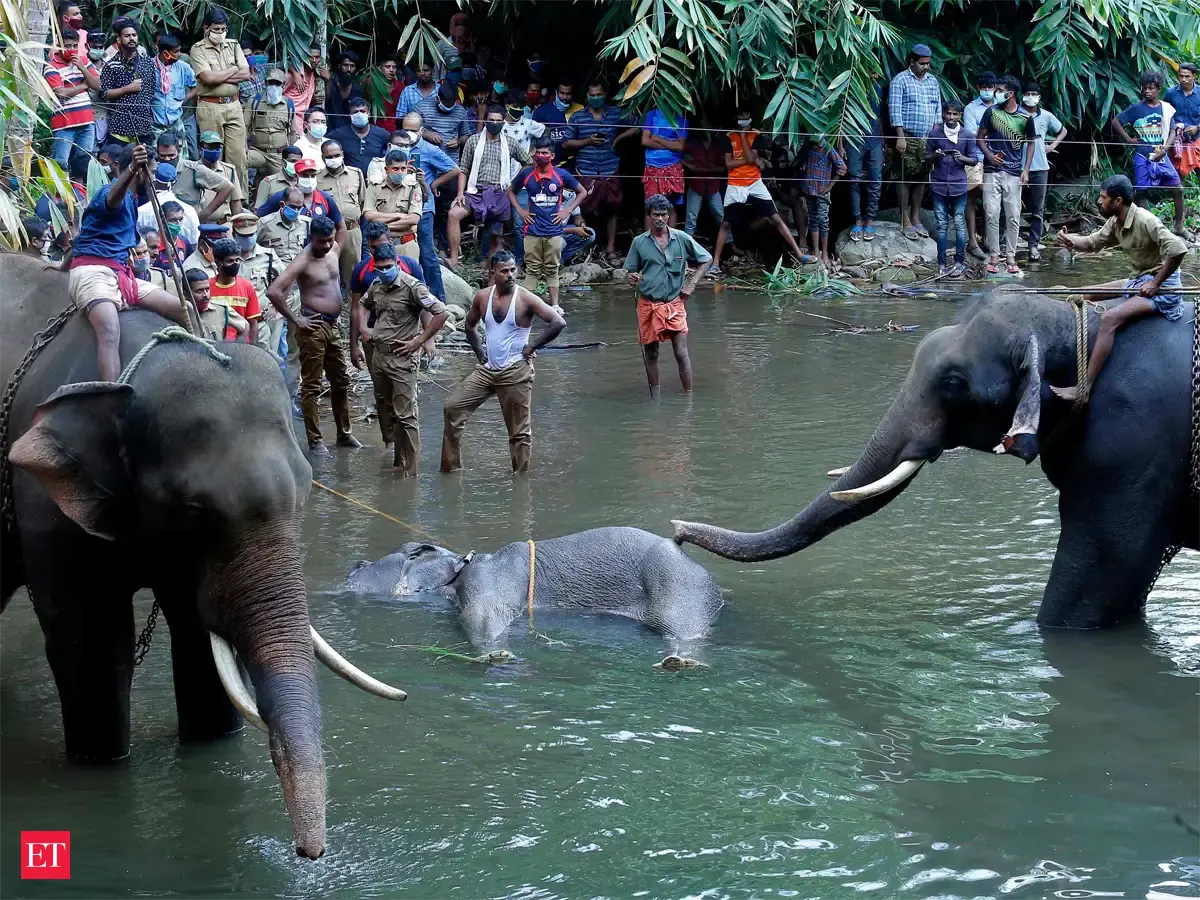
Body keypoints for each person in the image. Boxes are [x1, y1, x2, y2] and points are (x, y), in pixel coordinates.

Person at [1052, 174, 1189, 403]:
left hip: (1164, 287)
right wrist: (1070, 240)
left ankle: (1084, 389)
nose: (1099, 201)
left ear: (1118, 201)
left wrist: (1155, 284)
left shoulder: (1146, 221)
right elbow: (1093, 243)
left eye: (1103, 197)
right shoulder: (1116, 221)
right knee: (1085, 293)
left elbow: (1179, 249)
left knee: (1110, 318)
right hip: (1139, 279)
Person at [66, 143, 189, 382]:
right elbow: (113, 200)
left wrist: (62, 266)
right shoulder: (109, 191)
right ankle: (111, 395)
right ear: (141, 173)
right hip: (93, 274)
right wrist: (133, 168)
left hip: (122, 276)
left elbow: (82, 238)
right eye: (152, 172)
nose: (154, 179)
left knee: (185, 309)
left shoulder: (133, 201)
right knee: (109, 330)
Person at [440, 251, 566, 474]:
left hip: (515, 370)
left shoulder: (525, 298)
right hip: (488, 370)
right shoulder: (482, 297)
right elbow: (469, 325)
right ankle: (451, 469)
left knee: (519, 432)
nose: (510, 275)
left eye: (513, 270)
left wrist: (532, 346)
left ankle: (520, 481)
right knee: (452, 408)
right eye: (504, 271)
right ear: (492, 273)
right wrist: (480, 353)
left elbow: (558, 322)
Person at [266, 215, 362, 452]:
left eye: (329, 240)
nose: (327, 245)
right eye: (321, 241)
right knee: (312, 385)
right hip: (312, 327)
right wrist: (295, 318)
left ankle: (344, 434)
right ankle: (315, 441)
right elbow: (274, 291)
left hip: (332, 325)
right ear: (311, 238)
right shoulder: (303, 260)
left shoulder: (334, 248)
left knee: (341, 380)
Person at [358, 243, 448, 472]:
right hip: (379, 355)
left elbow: (441, 312)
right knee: (388, 410)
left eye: (388, 267)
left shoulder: (412, 287)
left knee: (407, 416)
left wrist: (420, 340)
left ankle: (412, 471)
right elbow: (363, 304)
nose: (384, 271)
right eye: (379, 268)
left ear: (397, 264)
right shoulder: (377, 285)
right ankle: (399, 464)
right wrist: (363, 328)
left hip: (402, 358)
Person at [349, 223, 429, 447]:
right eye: (373, 248)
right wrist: (354, 344)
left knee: (406, 394)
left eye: (382, 246)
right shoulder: (362, 270)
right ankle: (390, 442)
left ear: (391, 244)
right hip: (374, 340)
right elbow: (356, 308)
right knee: (382, 395)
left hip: (405, 339)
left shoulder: (410, 266)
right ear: (368, 247)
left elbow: (425, 303)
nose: (378, 252)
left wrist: (426, 339)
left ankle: (408, 446)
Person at [623, 194, 712, 398]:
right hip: (648, 303)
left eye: (664, 214)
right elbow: (630, 272)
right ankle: (655, 397)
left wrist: (691, 284)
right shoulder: (639, 242)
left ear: (669, 215)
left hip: (674, 303)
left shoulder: (681, 238)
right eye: (656, 215)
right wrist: (631, 278)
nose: (660, 218)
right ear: (649, 216)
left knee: (681, 352)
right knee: (651, 353)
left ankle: (688, 397)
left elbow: (706, 259)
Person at [711, 107, 811, 275]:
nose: (745, 116)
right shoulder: (728, 137)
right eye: (742, 114)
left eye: (747, 113)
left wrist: (744, 138)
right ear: (736, 117)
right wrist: (753, 160)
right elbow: (729, 164)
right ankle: (715, 263)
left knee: (776, 219)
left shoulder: (756, 135)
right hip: (735, 183)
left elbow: (750, 157)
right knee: (726, 223)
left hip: (755, 183)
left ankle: (800, 254)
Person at [563, 82, 639, 265]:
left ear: (605, 95)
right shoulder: (578, 116)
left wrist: (619, 138)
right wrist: (587, 141)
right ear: (587, 96)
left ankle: (611, 248)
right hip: (586, 170)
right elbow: (566, 142)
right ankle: (586, 247)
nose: (595, 98)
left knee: (613, 209)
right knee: (584, 209)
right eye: (592, 95)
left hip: (609, 168)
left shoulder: (615, 113)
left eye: (599, 94)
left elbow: (638, 124)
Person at [508, 138, 587, 307]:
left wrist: (567, 211)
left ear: (552, 156)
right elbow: (510, 191)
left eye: (544, 153)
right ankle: (528, 307)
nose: (540, 155)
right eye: (538, 152)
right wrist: (521, 211)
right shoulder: (526, 174)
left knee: (552, 269)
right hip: (532, 230)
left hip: (554, 231)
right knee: (532, 270)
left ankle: (555, 306)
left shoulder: (561, 175)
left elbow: (582, 192)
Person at [448, 105, 531, 267]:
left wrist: (513, 184)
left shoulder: (510, 143)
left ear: (503, 122)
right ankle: (454, 260)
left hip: (499, 193)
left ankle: (492, 274)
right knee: (453, 214)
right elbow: (463, 169)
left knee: (494, 237)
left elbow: (528, 162)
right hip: (475, 191)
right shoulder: (473, 140)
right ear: (485, 121)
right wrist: (460, 193)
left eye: (498, 120)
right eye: (491, 120)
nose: (494, 123)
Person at [395, 116, 460, 299]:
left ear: (422, 131)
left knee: (427, 252)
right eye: (406, 129)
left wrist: (434, 184)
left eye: (413, 130)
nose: (409, 133)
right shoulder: (396, 146)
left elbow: (454, 169)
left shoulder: (430, 150)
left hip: (424, 207)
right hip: (400, 208)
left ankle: (438, 298)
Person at [1114, 70, 1185, 235]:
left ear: (1158, 89)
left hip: (1162, 154)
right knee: (1141, 192)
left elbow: (1173, 131)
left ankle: (1179, 227)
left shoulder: (1166, 109)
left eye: (1151, 88)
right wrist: (1128, 139)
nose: (1147, 91)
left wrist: (1165, 149)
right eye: (1145, 88)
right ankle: (1150, 230)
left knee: (1178, 189)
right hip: (1142, 154)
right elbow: (1116, 121)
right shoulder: (1136, 108)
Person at [977, 74, 1035, 275]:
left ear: (1011, 94)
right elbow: (980, 138)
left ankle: (1010, 256)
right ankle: (994, 255)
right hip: (991, 171)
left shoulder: (1025, 117)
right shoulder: (991, 112)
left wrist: (1026, 169)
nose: (996, 93)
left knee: (1013, 216)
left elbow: (1031, 143)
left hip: (1014, 172)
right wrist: (989, 156)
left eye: (1000, 91)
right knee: (991, 213)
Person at [190, 8, 250, 192]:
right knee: (212, 154)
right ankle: (212, 199)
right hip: (210, 106)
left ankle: (239, 199)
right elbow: (208, 79)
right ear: (206, 28)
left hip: (234, 104)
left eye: (223, 29)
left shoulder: (233, 45)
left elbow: (246, 74)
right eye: (216, 29)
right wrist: (233, 70)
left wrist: (219, 76)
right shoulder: (198, 49)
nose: (220, 33)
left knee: (238, 156)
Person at [888, 43, 942, 240]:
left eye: (927, 63)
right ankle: (904, 219)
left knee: (922, 177)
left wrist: (936, 136)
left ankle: (916, 217)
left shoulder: (932, 81)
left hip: (927, 137)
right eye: (922, 64)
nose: (925, 67)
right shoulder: (900, 80)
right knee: (904, 177)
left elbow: (937, 109)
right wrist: (900, 136)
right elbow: (894, 109)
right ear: (912, 61)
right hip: (908, 135)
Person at [1020, 82, 1067, 261]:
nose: (1030, 97)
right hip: (1017, 167)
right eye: (1027, 93)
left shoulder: (1046, 116)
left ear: (1039, 97)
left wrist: (1053, 145)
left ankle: (1033, 245)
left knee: (1038, 208)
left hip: (1040, 166)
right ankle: (1006, 243)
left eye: (1034, 94)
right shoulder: (1016, 114)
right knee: (1011, 205)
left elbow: (1062, 130)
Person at [257, 158, 346, 250]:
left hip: (318, 253)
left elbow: (341, 228)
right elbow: (259, 218)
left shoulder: (325, 198)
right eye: (305, 176)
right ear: (296, 176)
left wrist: (335, 253)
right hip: (288, 251)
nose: (309, 179)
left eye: (313, 175)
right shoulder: (282, 196)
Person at [43, 27, 100, 170]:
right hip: (64, 124)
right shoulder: (51, 67)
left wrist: (82, 68)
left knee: (84, 164)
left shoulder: (84, 61)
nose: (72, 50)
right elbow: (61, 93)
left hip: (87, 121)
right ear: (59, 46)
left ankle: (79, 185)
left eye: (75, 46)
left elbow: (98, 85)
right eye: (68, 46)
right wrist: (83, 85)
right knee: (61, 164)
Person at [925, 100, 970, 276]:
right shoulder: (935, 134)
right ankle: (942, 263)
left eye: (955, 114)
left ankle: (959, 262)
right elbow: (926, 157)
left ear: (960, 116)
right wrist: (935, 156)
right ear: (943, 114)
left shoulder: (967, 135)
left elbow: (974, 159)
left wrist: (962, 158)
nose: (951, 117)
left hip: (959, 185)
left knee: (959, 223)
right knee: (942, 225)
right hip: (939, 185)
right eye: (948, 113)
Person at [231, 211, 285, 356]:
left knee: (264, 360)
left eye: (251, 235)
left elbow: (285, 282)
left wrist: (275, 307)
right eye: (243, 236)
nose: (248, 239)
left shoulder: (268, 256)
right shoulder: (228, 257)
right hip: (234, 324)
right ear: (234, 234)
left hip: (261, 324)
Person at [502, 99, 546, 269]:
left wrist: (534, 150)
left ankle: (520, 262)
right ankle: (493, 260)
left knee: (520, 224)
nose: (518, 110)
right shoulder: (498, 123)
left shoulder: (528, 123)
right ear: (507, 106)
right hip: (500, 179)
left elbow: (546, 131)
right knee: (496, 222)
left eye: (521, 107)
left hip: (521, 180)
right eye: (515, 106)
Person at [316, 138, 366, 285]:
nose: (334, 159)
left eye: (337, 155)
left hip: (352, 231)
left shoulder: (356, 173)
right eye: (329, 157)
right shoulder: (317, 178)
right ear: (323, 158)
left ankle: (352, 300)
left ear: (343, 154)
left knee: (354, 274)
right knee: (327, 273)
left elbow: (362, 201)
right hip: (327, 234)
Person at [961, 71, 1000, 259]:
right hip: (975, 158)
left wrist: (984, 132)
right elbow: (971, 134)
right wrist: (992, 132)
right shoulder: (971, 108)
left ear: (995, 88)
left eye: (990, 88)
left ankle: (988, 239)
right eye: (984, 88)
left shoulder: (1001, 106)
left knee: (991, 201)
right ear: (978, 88)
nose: (987, 91)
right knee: (971, 198)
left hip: (997, 159)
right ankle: (972, 241)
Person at [158, 130, 236, 224]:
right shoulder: (153, 170)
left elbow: (227, 187)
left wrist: (204, 215)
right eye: (162, 156)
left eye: (171, 155)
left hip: (187, 226)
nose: (167, 159)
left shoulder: (194, 170)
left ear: (179, 151)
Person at [100, 17, 156, 144]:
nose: (131, 38)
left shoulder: (147, 63)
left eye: (134, 35)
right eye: (127, 36)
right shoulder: (111, 65)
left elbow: (151, 90)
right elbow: (105, 94)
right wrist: (127, 89)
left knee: (145, 156)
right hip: (119, 127)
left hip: (143, 126)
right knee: (118, 157)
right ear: (119, 39)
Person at [364, 148, 425, 260]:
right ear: (386, 169)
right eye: (395, 169)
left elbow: (413, 219)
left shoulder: (413, 187)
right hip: (380, 245)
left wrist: (382, 227)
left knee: (408, 272)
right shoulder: (374, 187)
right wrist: (399, 216)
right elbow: (369, 215)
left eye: (403, 168)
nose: (400, 172)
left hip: (406, 245)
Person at [846, 79, 885, 243]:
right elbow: (842, 116)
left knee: (876, 180)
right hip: (854, 138)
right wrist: (840, 145)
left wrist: (883, 140)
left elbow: (879, 115)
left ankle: (869, 220)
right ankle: (857, 219)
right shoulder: (851, 83)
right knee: (854, 179)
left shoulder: (878, 87)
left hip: (875, 139)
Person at [799, 138, 847, 263]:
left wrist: (830, 186)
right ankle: (816, 252)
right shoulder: (808, 146)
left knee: (822, 219)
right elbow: (800, 163)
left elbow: (842, 167)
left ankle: (825, 253)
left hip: (822, 191)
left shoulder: (827, 147)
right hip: (809, 189)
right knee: (813, 220)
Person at [207, 236, 261, 344]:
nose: (235, 263)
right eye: (230, 261)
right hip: (215, 344)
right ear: (218, 263)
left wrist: (253, 348)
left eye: (237, 260)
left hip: (240, 345)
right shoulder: (207, 288)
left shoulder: (247, 287)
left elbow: (253, 324)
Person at [641, 107, 688, 228]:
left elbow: (680, 146)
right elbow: (645, 141)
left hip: (673, 167)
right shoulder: (652, 115)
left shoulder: (681, 118)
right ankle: (649, 239)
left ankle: (670, 238)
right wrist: (670, 145)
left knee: (670, 206)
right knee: (650, 206)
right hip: (652, 166)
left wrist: (657, 138)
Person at [246, 68, 293, 188]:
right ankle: (243, 196)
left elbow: (292, 132)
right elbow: (245, 127)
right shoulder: (255, 101)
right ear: (265, 83)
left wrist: (290, 154)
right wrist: (243, 147)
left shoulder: (289, 104)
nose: (274, 86)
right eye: (271, 82)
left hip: (278, 155)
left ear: (283, 85)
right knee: (238, 160)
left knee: (281, 184)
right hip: (257, 152)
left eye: (277, 83)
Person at [137, 161, 200, 245]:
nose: (177, 223)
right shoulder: (190, 211)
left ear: (153, 181)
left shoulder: (141, 211)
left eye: (180, 220)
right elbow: (194, 242)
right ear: (175, 182)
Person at [681, 130, 728, 242]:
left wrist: (703, 170)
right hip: (696, 184)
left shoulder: (718, 145)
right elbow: (678, 154)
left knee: (721, 216)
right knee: (691, 218)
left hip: (713, 185)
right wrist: (688, 165)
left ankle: (730, 244)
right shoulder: (693, 144)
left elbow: (725, 166)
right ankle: (687, 245)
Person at [150, 34, 197, 143]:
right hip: (154, 125)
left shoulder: (183, 67)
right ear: (165, 53)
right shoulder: (149, 67)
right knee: (155, 152)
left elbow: (196, 87)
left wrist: (184, 99)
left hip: (176, 123)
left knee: (179, 152)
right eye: (176, 51)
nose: (179, 54)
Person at [329, 96, 391, 172]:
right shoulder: (339, 134)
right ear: (350, 115)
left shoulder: (382, 134)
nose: (359, 114)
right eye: (355, 112)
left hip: (376, 177)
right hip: (350, 177)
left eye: (362, 111)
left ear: (368, 113)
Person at [196, 129, 245, 220]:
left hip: (224, 224)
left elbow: (236, 204)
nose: (214, 150)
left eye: (217, 147)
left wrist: (237, 224)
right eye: (211, 147)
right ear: (200, 149)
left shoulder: (229, 171)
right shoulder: (193, 170)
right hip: (200, 224)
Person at [186, 266, 246, 341]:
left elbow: (245, 326)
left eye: (207, 289)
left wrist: (238, 346)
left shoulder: (221, 309)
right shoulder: (180, 313)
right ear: (186, 293)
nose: (205, 295)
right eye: (199, 291)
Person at [533, 80, 582, 166]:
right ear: (556, 92)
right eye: (562, 93)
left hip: (576, 163)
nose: (565, 97)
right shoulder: (542, 111)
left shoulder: (580, 110)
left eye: (568, 94)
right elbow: (533, 140)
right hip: (549, 164)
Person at [1165, 62, 1200, 181]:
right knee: (1175, 176)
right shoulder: (1170, 93)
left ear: (1194, 76)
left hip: (1197, 139)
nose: (1183, 79)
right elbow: (1165, 115)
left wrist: (1197, 127)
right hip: (1176, 140)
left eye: (1187, 76)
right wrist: (1174, 128)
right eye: (1181, 76)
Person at [365, 57, 405, 133]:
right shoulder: (370, 84)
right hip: (373, 128)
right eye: (387, 67)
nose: (391, 70)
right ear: (379, 68)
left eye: (394, 67)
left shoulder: (400, 87)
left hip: (393, 129)